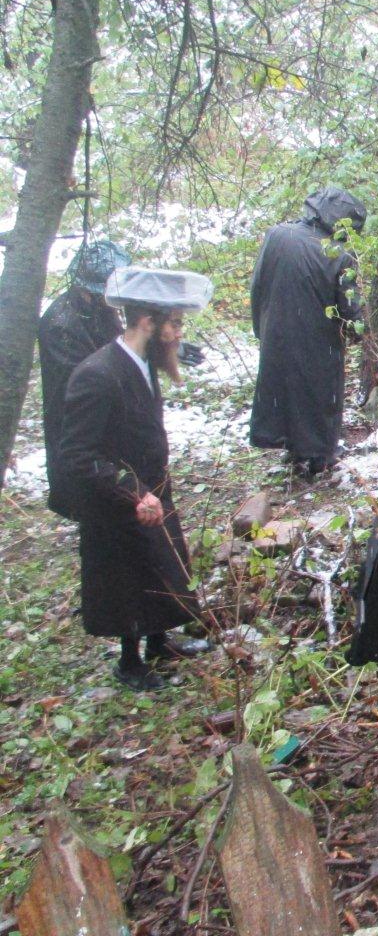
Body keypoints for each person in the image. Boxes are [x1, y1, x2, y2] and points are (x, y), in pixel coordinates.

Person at [58, 267, 214, 691]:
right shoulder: (98, 375)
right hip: (116, 501)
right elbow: (76, 455)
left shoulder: (143, 362)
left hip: (152, 490)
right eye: (175, 324)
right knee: (127, 577)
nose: (179, 333)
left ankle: (160, 642)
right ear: (148, 323)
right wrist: (132, 491)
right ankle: (130, 662)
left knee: (158, 565)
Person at [249, 187, 366, 478]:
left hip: (275, 331)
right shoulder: (339, 255)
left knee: (283, 391)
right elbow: (348, 309)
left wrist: (260, 326)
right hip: (318, 340)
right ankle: (318, 457)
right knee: (320, 396)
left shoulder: (278, 234)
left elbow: (257, 284)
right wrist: (359, 331)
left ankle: (292, 446)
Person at [38, 240, 131, 518]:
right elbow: (81, 381)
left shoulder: (100, 310)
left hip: (106, 414)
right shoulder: (60, 323)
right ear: (87, 289)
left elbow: (118, 346)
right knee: (86, 482)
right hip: (77, 418)